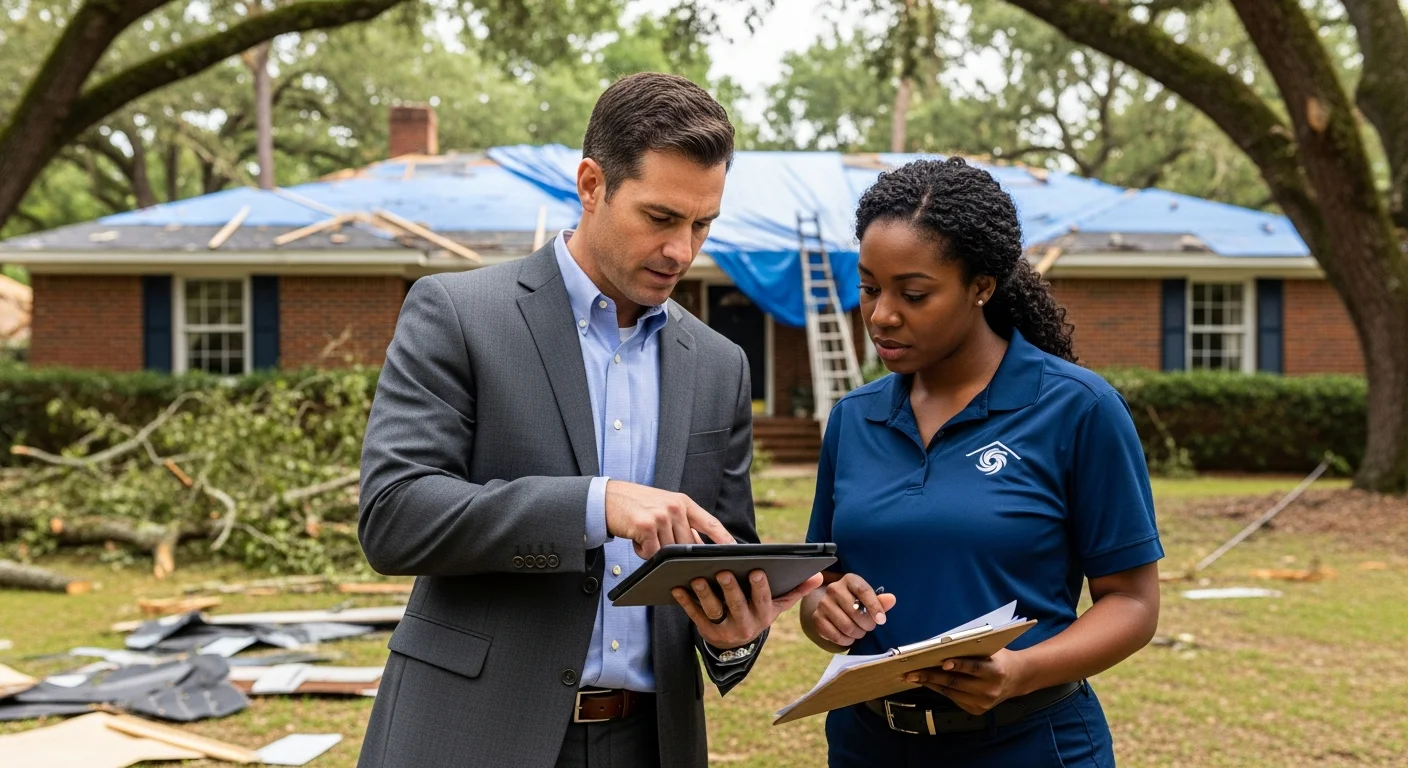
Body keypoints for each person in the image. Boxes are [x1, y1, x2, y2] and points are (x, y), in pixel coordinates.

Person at [356, 72, 820, 768]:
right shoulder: (458, 314)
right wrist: (597, 505)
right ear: (592, 184)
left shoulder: (720, 366)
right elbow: (395, 516)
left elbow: (722, 555)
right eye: (660, 218)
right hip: (474, 734)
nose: (682, 251)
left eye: (702, 225)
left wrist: (733, 635)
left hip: (651, 743)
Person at [800, 157, 1163, 766]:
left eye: (914, 294)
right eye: (869, 288)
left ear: (982, 287)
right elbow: (825, 583)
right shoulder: (853, 419)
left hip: (1029, 744)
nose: (882, 314)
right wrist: (824, 612)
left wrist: (1020, 672)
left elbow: (1133, 603)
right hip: (868, 745)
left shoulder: (1078, 409)